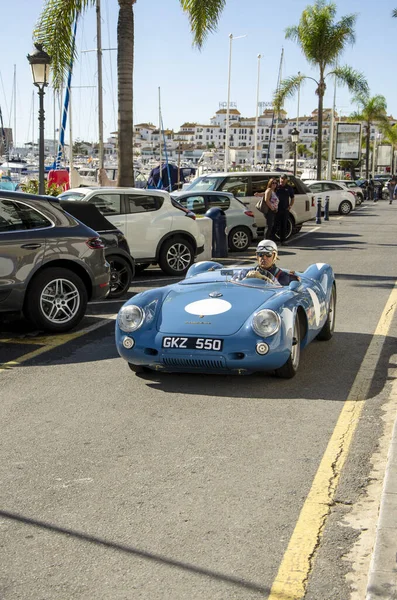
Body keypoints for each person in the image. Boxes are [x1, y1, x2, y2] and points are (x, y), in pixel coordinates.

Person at [275, 174, 295, 245]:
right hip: (276, 209)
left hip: (285, 209)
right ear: (279, 179)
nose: (282, 180)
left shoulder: (289, 188)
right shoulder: (276, 186)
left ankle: (282, 240)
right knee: (274, 224)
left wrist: (290, 206)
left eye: (284, 179)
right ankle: (271, 240)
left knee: (283, 225)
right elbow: (268, 192)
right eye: (281, 178)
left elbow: (292, 198)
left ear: (286, 180)